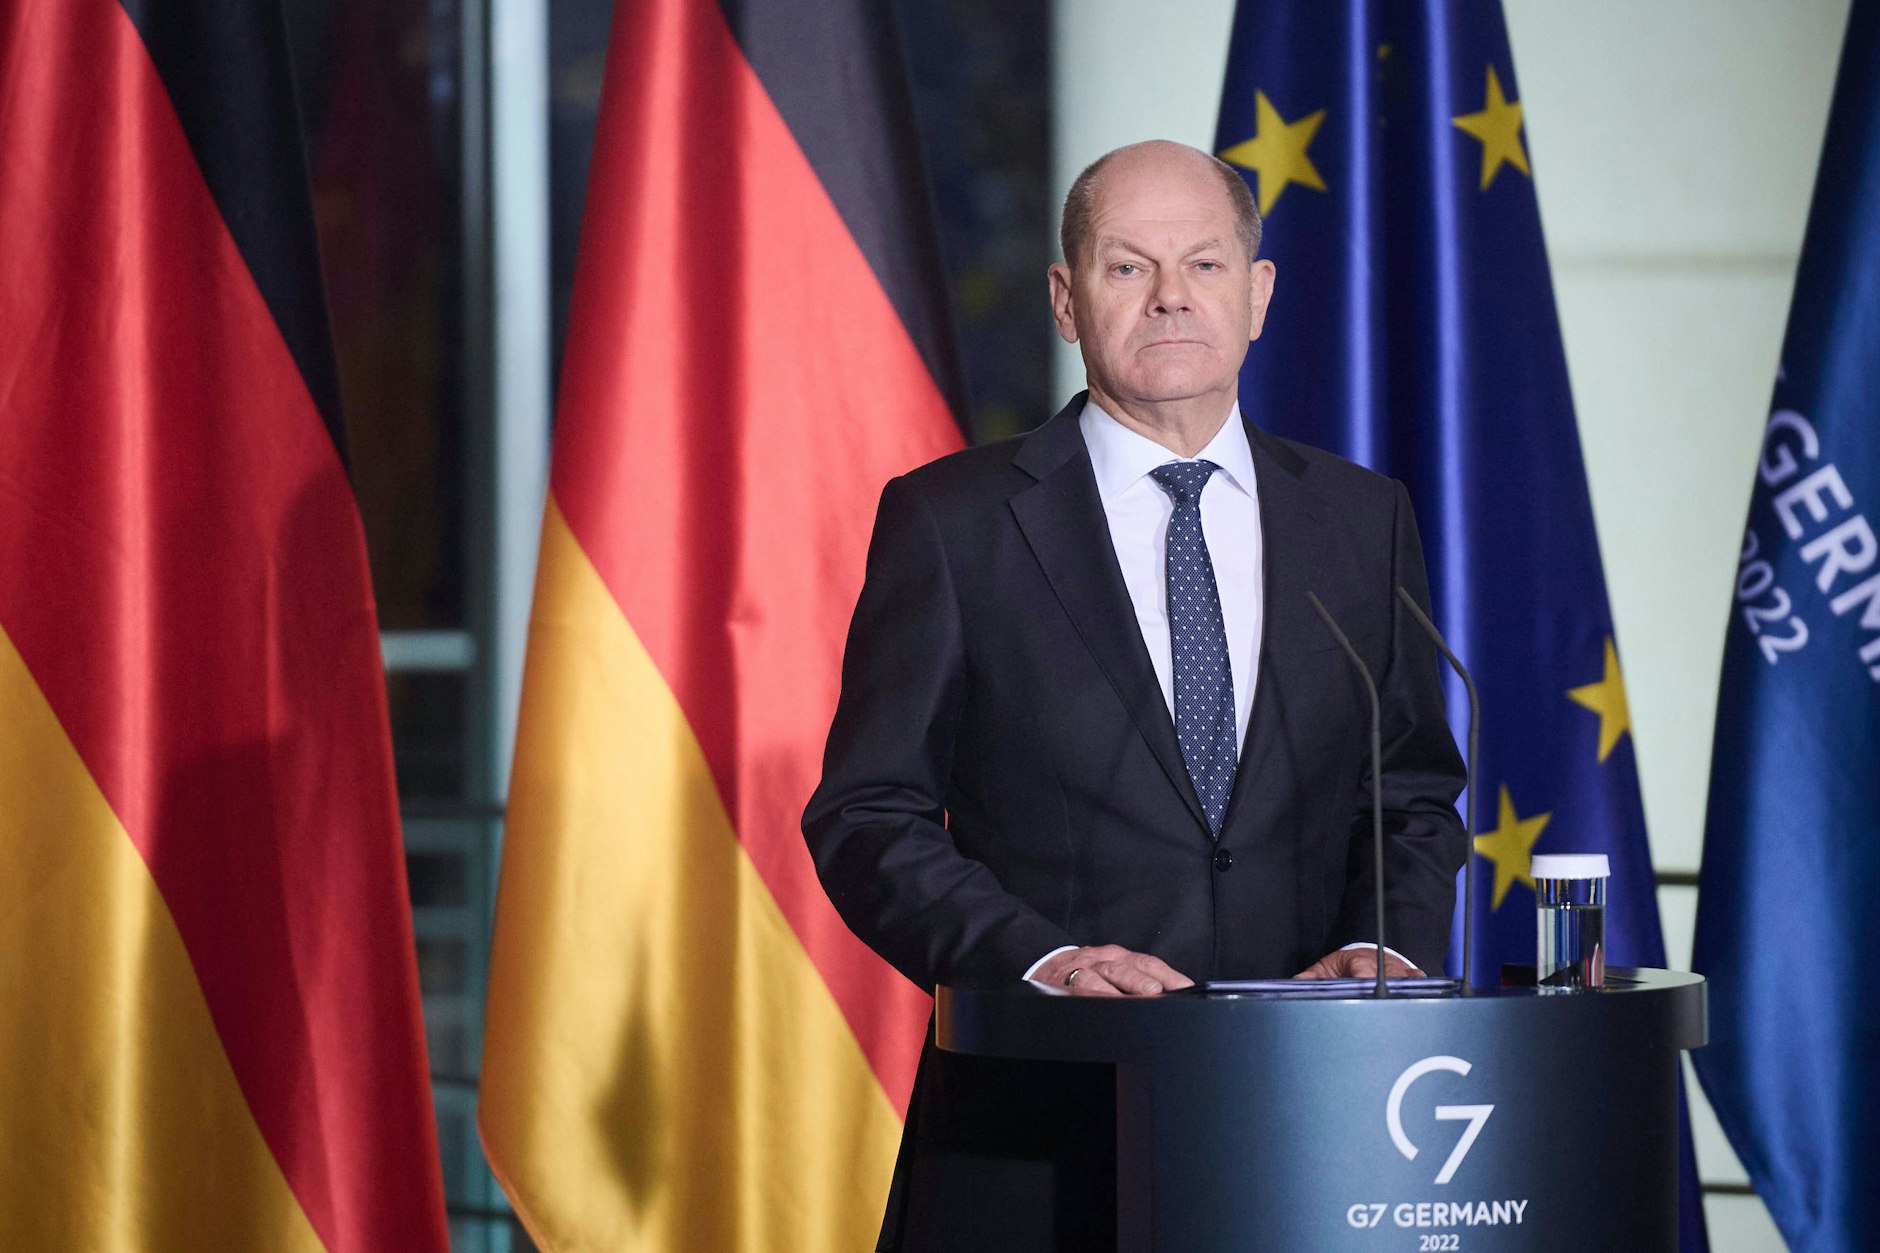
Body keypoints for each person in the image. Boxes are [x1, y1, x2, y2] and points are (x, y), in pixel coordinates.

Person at [803, 139, 1467, 1253]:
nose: (1169, 296)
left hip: (1313, 1118)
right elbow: (867, 813)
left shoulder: (1360, 519)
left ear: (1257, 295)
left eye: (1204, 265)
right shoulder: (954, 522)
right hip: (1037, 1117)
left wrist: (1382, 948)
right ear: (1066, 301)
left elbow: (1407, 789)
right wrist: (1037, 959)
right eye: (1126, 268)